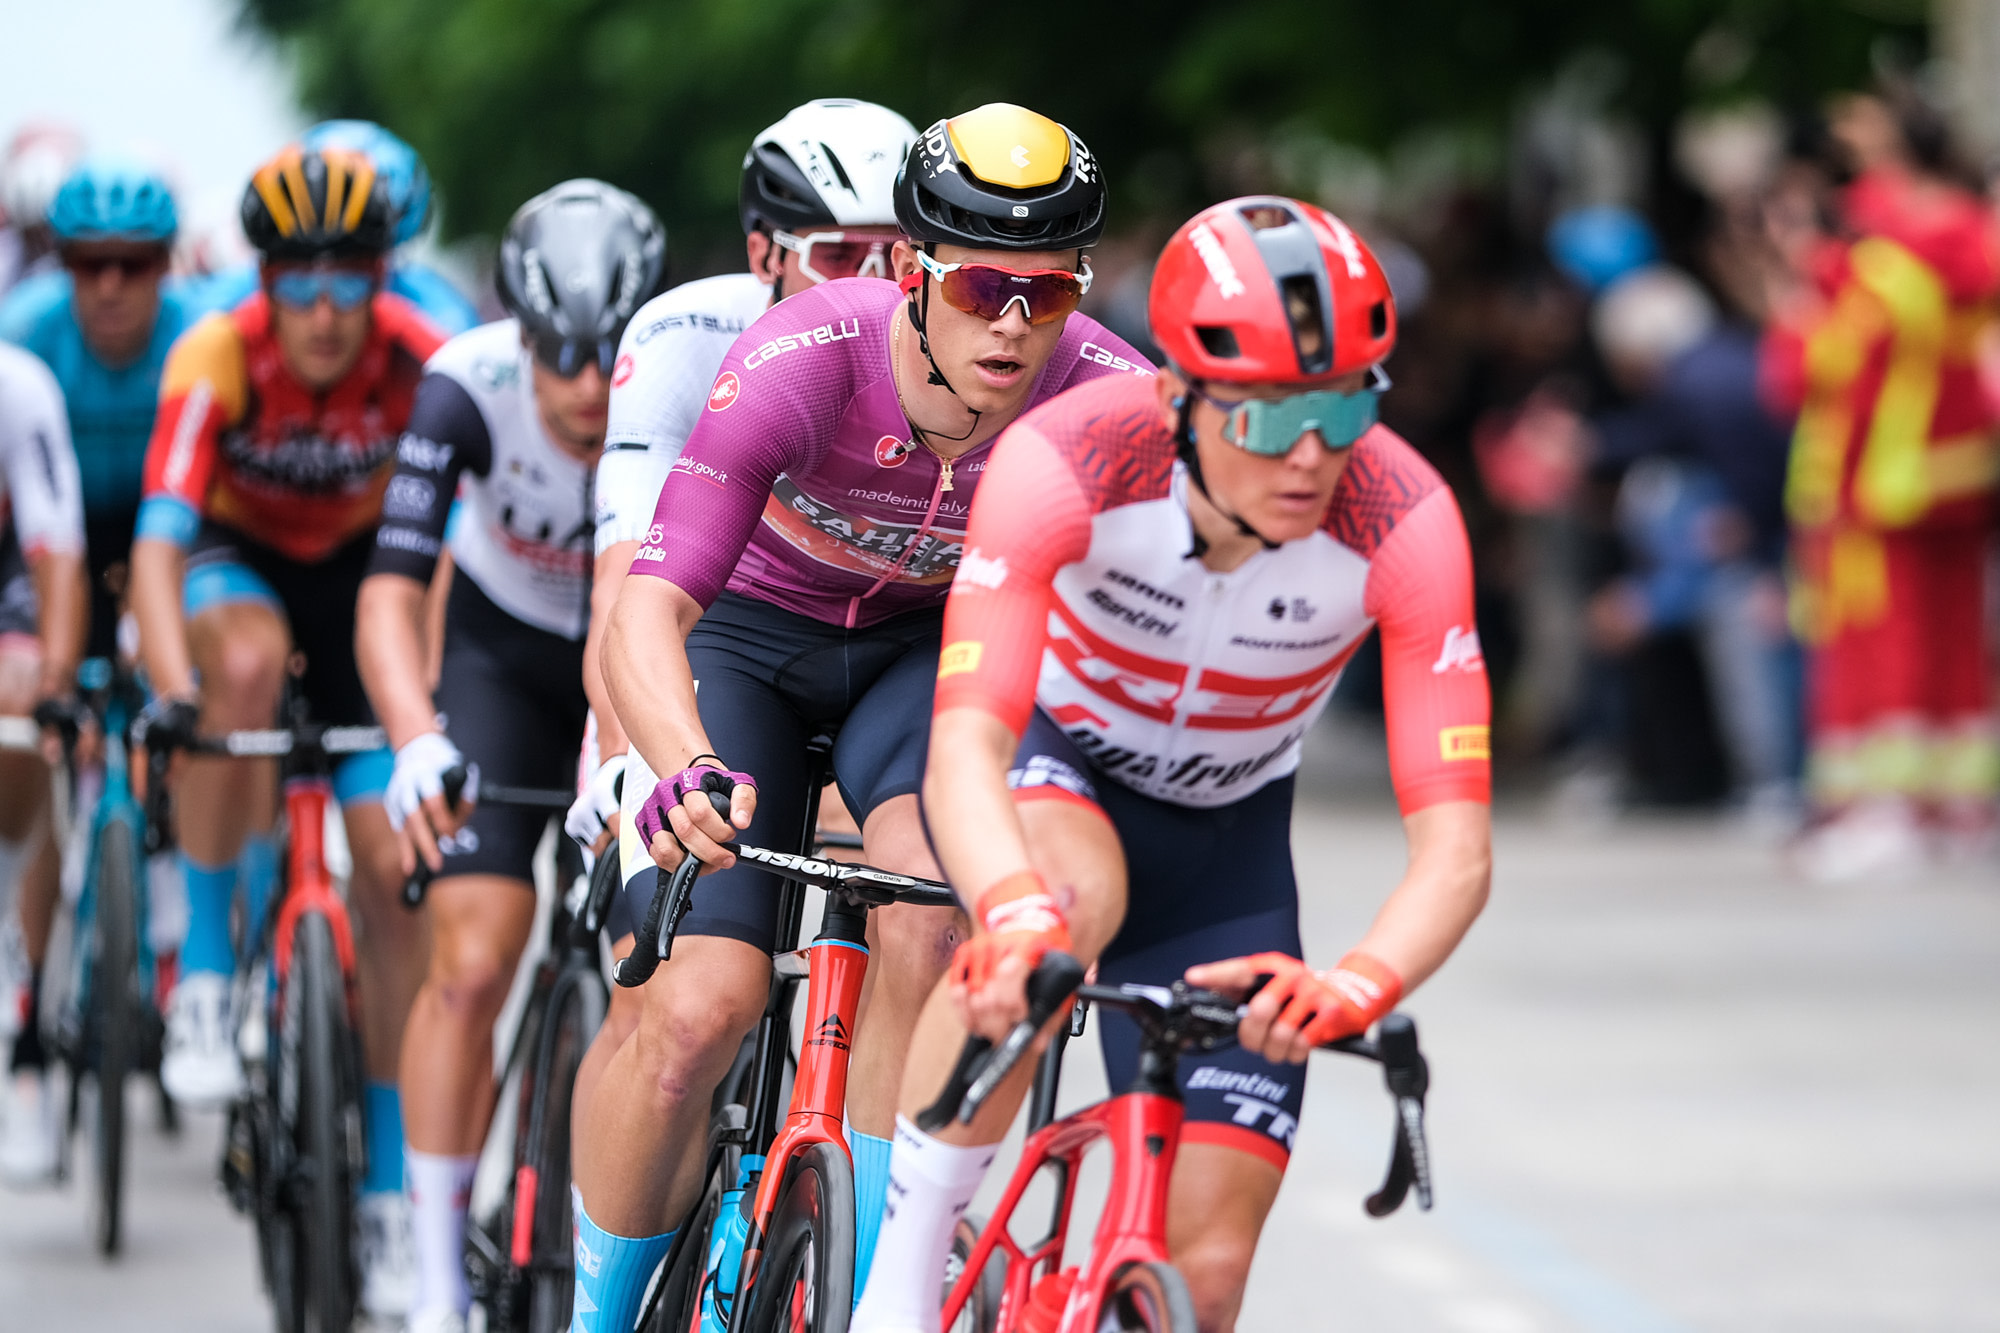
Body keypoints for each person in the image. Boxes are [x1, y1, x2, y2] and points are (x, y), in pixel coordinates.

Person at [851, 197, 1494, 1333]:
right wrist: (1003, 911)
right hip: (1060, 782)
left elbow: (1454, 844)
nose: (1308, 456)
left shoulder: (1405, 517)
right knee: (1067, 905)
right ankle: (896, 1285)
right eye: (1262, 417)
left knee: (1203, 1275)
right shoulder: (1069, 458)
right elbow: (967, 740)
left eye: (1344, 406)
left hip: (1227, 850)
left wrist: (1358, 983)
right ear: (1176, 395)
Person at [570, 102, 1151, 1333]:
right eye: (985, 285)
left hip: (923, 663)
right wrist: (673, 769)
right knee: (698, 1009)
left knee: (939, 930)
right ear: (907, 272)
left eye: (1046, 297)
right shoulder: (805, 354)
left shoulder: (1106, 395)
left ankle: (871, 1287)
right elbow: (646, 610)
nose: (1012, 326)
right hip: (750, 647)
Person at [563, 96, 918, 1156]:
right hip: (699, 665)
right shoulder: (684, 336)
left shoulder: (943, 354)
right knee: (681, 1013)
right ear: (764, 251)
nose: (870, 279)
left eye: (896, 252)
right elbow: (626, 588)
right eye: (836, 251)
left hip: (878, 673)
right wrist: (628, 763)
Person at [129, 142, 444, 1315]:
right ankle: (208, 968)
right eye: (296, 281)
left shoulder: (418, 357)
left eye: (349, 279)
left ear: (383, 276)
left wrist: (428, 716)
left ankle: (387, 1195)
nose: (322, 308)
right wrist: (173, 694)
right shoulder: (214, 352)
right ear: (263, 282)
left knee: (390, 866)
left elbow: (445, 563)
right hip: (237, 562)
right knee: (243, 670)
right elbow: (159, 546)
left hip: (364, 577)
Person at [355, 179, 664, 1333]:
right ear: (519, 333)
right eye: (562, 354)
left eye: (610, 353)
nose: (589, 387)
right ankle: (436, 1285)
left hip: (634, 660)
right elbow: (390, 592)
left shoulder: (686, 371)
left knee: (661, 969)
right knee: (473, 959)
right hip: (498, 662)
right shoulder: (465, 386)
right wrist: (413, 736)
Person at [1766, 90, 2000, 878]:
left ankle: (1887, 811)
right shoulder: (1974, 231)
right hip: (1961, 466)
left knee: (1879, 642)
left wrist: (1800, 298)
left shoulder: (1868, 247)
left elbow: (1807, 370)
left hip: (1876, 474)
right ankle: (1961, 812)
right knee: (1959, 638)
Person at [0, 157, 197, 659]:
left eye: (133, 265)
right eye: (90, 264)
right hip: (49, 524)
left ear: (165, 264)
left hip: (169, 525)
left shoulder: (201, 335)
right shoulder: (21, 333)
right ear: (63, 263)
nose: (111, 286)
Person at [0, 340, 85, 1186]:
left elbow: (55, 556)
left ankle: (12, 925)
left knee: (19, 692)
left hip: (12, 580)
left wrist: (55, 681)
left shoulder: (16, 384)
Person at [185, 120, 481, 335]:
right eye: (298, 283)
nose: (324, 319)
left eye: (351, 280)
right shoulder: (440, 310)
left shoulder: (223, 301)